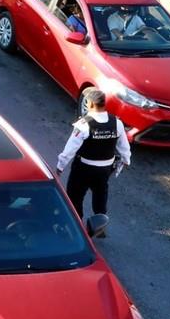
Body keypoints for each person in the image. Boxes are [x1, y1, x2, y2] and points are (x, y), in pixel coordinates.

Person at [56, 88, 131, 233]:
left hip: (83, 168)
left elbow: (70, 149)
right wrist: (126, 160)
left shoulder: (84, 124)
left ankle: (76, 227)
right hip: (104, 170)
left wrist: (60, 167)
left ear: (90, 104)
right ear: (104, 103)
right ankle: (100, 226)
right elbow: (124, 147)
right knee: (100, 195)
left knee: (75, 196)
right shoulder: (117, 123)